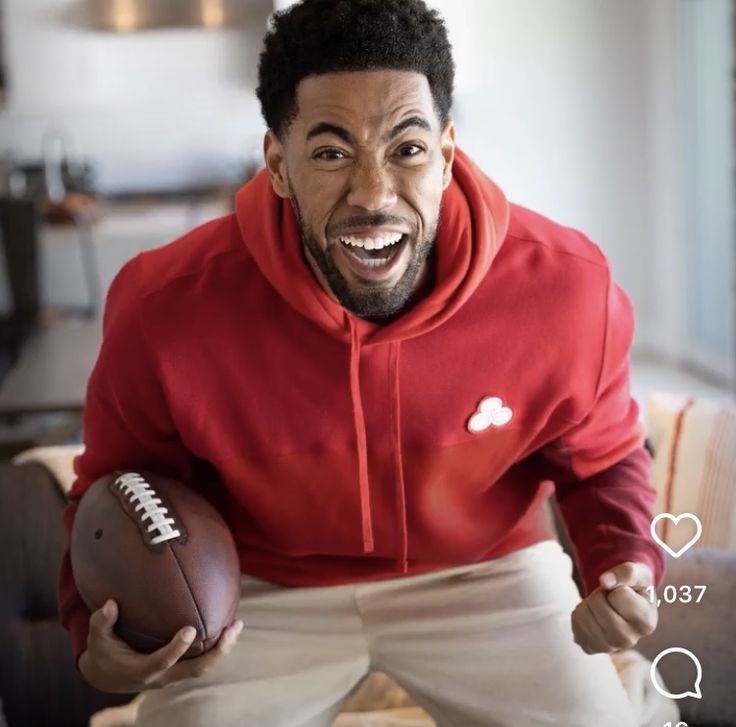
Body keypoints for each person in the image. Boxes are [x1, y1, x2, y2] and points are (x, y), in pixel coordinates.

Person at [59, 1, 668, 725]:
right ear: (279, 166)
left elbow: (605, 459)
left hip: (486, 574)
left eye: (406, 149)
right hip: (258, 588)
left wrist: (624, 563)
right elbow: (111, 487)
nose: (373, 194)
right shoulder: (164, 306)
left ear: (445, 154)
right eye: (330, 152)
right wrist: (90, 635)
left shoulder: (566, 288)